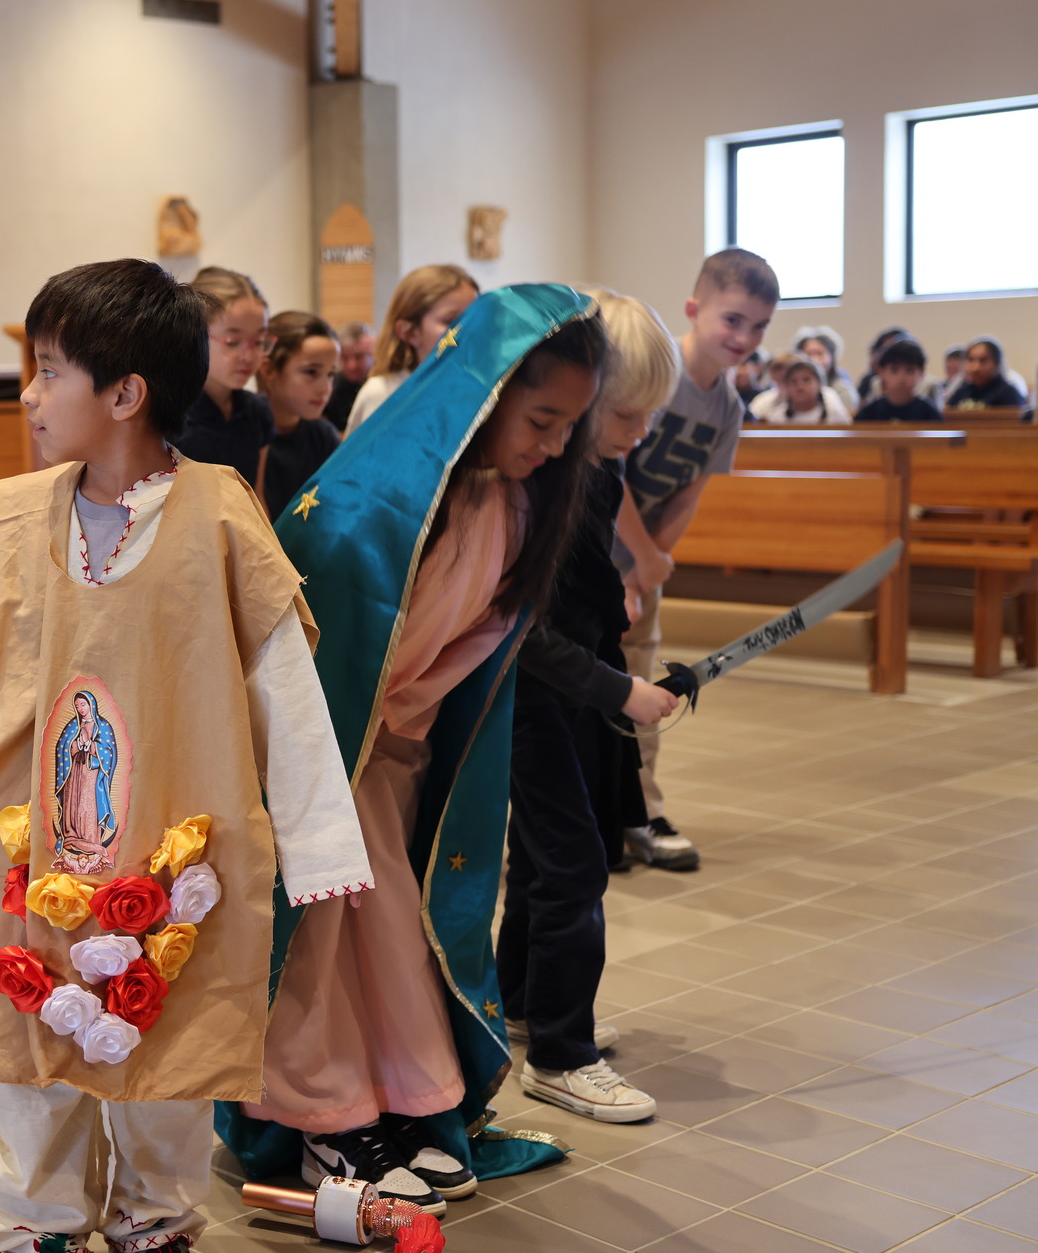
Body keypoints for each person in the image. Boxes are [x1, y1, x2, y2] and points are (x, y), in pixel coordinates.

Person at [0, 259, 377, 1253]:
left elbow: (284, 687)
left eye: (49, 370)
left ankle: (154, 1211)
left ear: (124, 393)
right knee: (29, 1034)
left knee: (170, 1040)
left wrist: (320, 842)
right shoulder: (14, 522)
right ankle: (35, 1216)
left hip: (175, 843)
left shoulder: (219, 518)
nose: (28, 393)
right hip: (38, 844)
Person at [223, 284, 600, 1210]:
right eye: (541, 421)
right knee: (320, 944)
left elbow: (467, 659)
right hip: (325, 752)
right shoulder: (371, 502)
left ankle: (397, 1105)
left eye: (569, 429)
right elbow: (310, 640)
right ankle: (318, 1115)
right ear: (486, 393)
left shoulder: (513, 504)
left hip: (397, 756)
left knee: (390, 941)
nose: (555, 448)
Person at [499, 288, 679, 1125]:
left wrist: (617, 612)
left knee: (544, 862)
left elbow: (578, 592)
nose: (638, 434)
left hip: (575, 691)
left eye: (650, 417)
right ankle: (562, 1057)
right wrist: (620, 689)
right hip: (532, 698)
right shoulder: (541, 483)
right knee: (571, 866)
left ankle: (526, 1006)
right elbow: (524, 628)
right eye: (627, 415)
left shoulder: (599, 470)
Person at [613, 248, 777, 871]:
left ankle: (641, 811)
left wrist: (647, 566)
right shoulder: (658, 371)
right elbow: (610, 473)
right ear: (693, 309)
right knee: (588, 686)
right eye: (733, 319)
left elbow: (689, 493)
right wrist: (636, 560)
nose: (745, 337)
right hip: (591, 551)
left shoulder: (728, 407)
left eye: (759, 326)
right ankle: (589, 813)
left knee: (644, 686)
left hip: (641, 564)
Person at [345, 265, 478, 432]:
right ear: (410, 332)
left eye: (474, 318)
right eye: (451, 321)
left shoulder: (474, 386)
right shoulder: (383, 393)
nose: (468, 329)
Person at [172, 266, 273, 487]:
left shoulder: (258, 411)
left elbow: (254, 497)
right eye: (233, 342)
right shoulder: (167, 415)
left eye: (258, 341)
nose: (249, 356)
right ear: (193, 334)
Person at [257, 311, 342, 522]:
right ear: (269, 369)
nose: (325, 388)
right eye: (311, 372)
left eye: (331, 374)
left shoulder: (324, 435)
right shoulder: (245, 435)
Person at [855, 336, 942, 421]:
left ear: (921, 373)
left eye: (910, 370)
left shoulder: (929, 413)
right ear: (881, 372)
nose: (902, 377)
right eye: (894, 370)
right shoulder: (869, 413)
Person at [748, 354, 852, 423]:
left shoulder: (833, 413)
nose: (800, 386)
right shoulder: (778, 416)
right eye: (793, 381)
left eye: (806, 380)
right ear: (787, 386)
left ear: (819, 383)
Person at [946, 335, 1026, 409]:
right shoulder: (961, 393)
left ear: (996, 363)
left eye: (983, 360)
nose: (975, 368)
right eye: (971, 360)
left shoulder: (1009, 394)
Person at [324, 321, 375, 429]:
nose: (352, 366)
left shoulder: (380, 386)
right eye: (345, 357)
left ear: (373, 355)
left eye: (359, 357)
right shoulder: (330, 385)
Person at [792, 325, 851, 400]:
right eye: (809, 354)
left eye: (819, 354)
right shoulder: (791, 389)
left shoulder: (842, 390)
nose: (814, 360)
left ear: (832, 358)